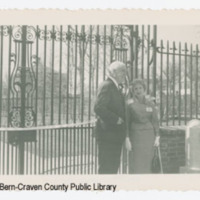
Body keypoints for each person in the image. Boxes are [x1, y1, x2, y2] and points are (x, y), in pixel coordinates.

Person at [94, 61, 127, 174]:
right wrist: (116, 119)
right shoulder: (107, 86)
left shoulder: (115, 87)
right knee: (107, 169)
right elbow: (99, 107)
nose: (125, 74)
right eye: (122, 71)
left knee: (112, 168)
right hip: (107, 135)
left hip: (114, 136)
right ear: (113, 72)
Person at [125, 79, 160, 174]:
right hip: (136, 137)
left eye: (140, 88)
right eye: (136, 88)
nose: (138, 90)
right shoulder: (129, 104)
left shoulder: (150, 103)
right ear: (133, 91)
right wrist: (127, 138)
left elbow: (155, 121)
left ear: (144, 89)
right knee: (137, 161)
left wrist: (157, 136)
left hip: (149, 137)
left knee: (148, 160)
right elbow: (127, 122)